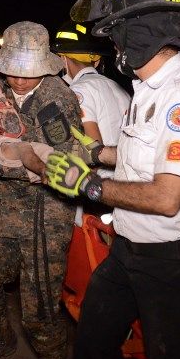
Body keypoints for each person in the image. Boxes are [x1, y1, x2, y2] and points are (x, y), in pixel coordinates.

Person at [45, 0, 180, 359]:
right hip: (127, 248)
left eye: (115, 33)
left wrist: (87, 185)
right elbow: (131, 156)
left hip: (171, 258)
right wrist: (89, 155)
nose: (113, 44)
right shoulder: (147, 90)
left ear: (137, 32)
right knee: (92, 340)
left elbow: (165, 196)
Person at [0, 21, 82, 359]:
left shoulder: (56, 100)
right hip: (7, 211)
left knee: (39, 313)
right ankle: (3, 339)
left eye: (27, 73)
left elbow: (61, 168)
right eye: (13, 71)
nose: (19, 80)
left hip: (47, 216)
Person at [50, 18, 131, 225]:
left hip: (97, 195)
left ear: (63, 60)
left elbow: (91, 148)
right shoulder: (118, 89)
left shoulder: (78, 92)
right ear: (95, 60)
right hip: (126, 189)